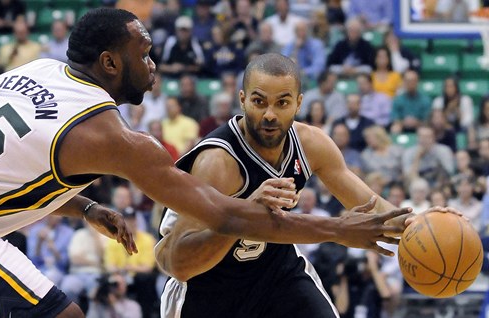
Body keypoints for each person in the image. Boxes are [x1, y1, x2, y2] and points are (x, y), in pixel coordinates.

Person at [0, 9, 410, 317]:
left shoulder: (35, 71)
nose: (154, 64)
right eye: (145, 53)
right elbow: (222, 217)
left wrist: (87, 209)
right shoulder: (116, 137)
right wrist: (339, 230)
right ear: (111, 64)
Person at [155, 53, 416, 318]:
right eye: (259, 101)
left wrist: (424, 226)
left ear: (298, 104)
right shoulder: (217, 163)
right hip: (209, 288)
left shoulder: (311, 144)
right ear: (242, 100)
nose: (270, 114)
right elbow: (179, 263)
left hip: (276, 273)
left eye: (282, 103)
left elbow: (376, 210)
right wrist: (242, 214)